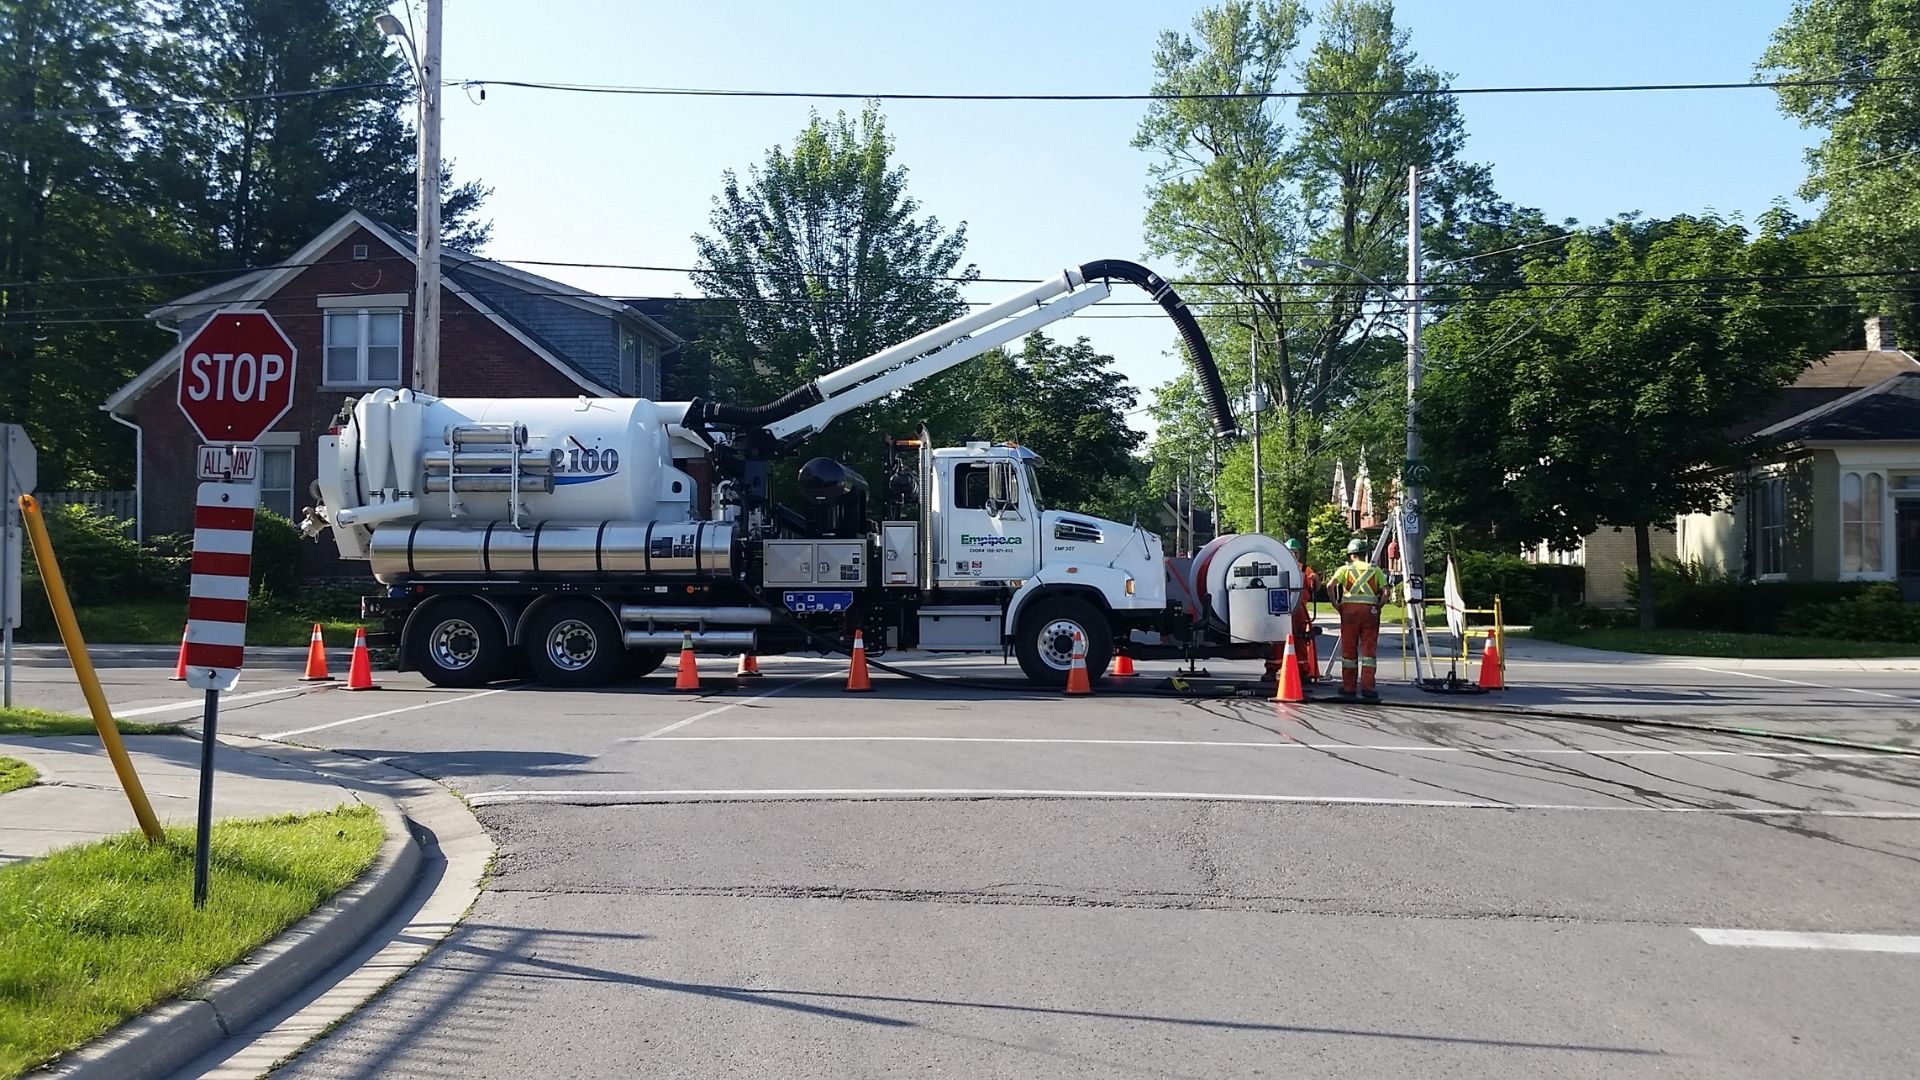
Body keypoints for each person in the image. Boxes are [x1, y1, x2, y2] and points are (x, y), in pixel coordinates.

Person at [1325, 537, 1390, 700]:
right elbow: (1386, 592)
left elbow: (1329, 586)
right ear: (1364, 554)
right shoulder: (1375, 570)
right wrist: (1378, 606)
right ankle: (1367, 687)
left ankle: (1349, 687)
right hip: (1369, 613)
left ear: (1352, 555)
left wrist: (1336, 604)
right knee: (1369, 651)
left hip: (1349, 612)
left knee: (1349, 651)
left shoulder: (1344, 570)